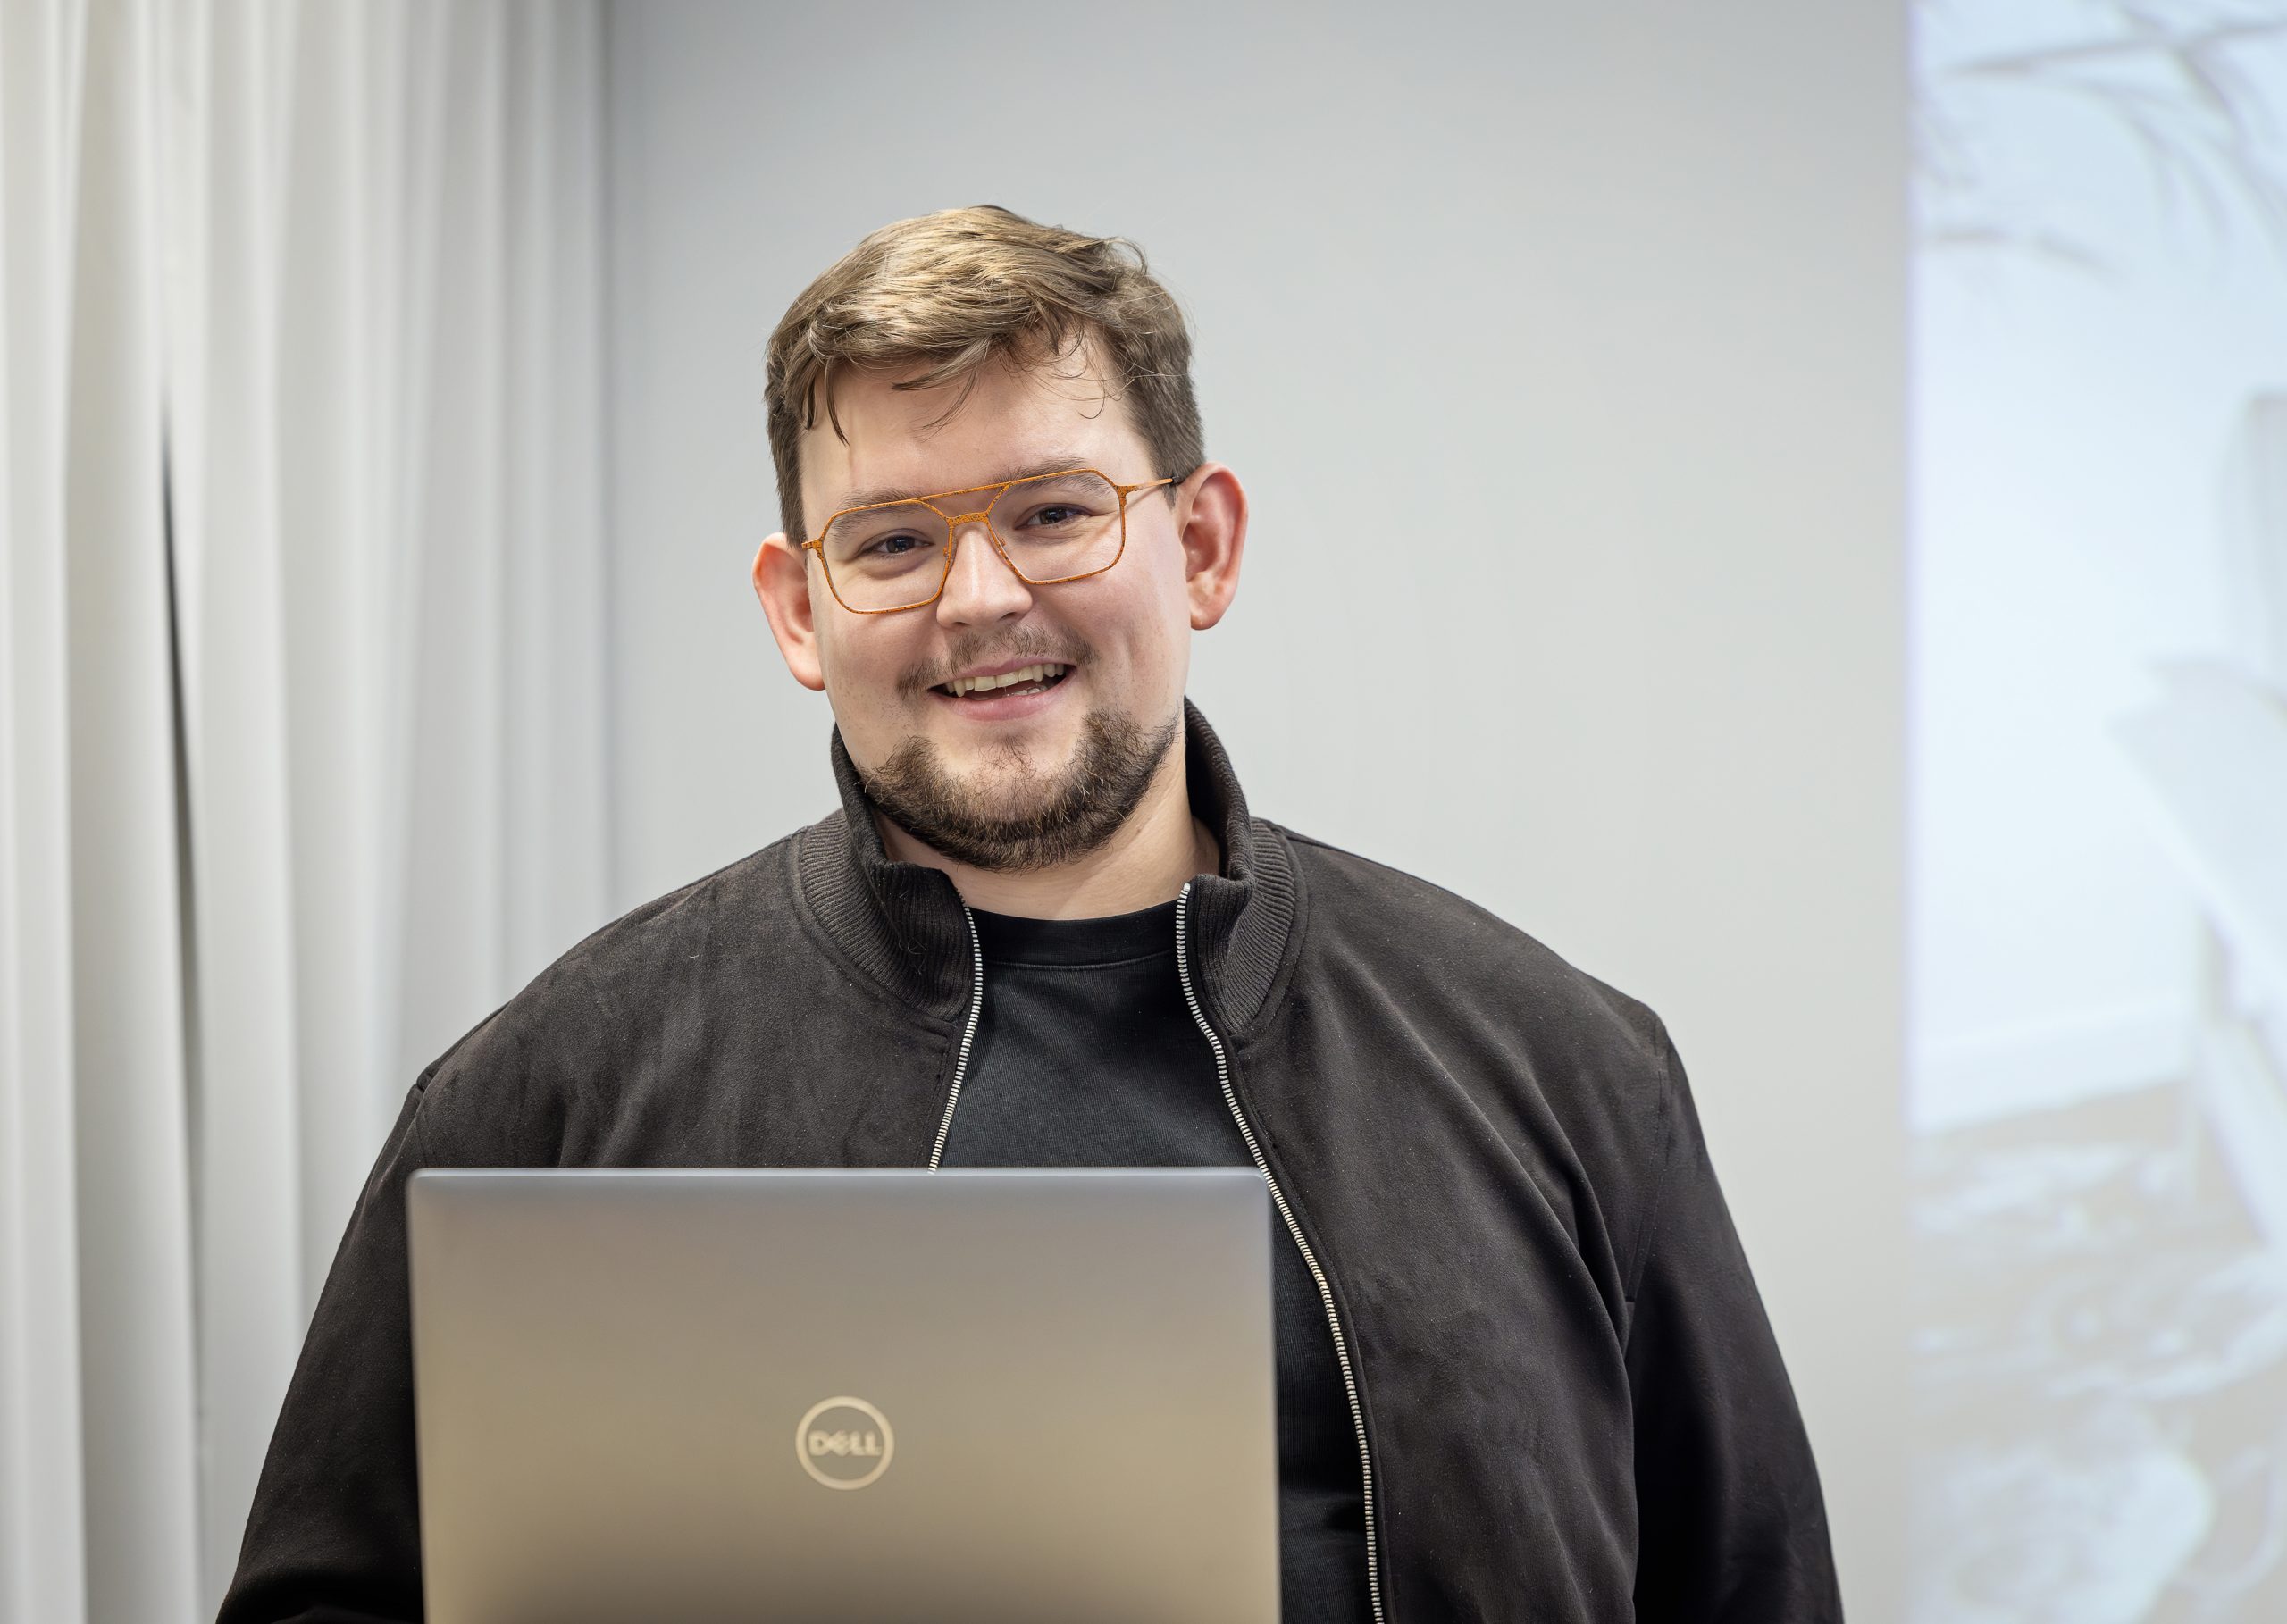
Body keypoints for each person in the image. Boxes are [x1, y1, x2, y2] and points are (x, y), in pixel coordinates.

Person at [220, 205, 1843, 1623]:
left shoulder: (1565, 1070)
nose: (982, 596)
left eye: (1056, 511)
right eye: (892, 541)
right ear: (799, 610)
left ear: (1199, 546)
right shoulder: (554, 1099)